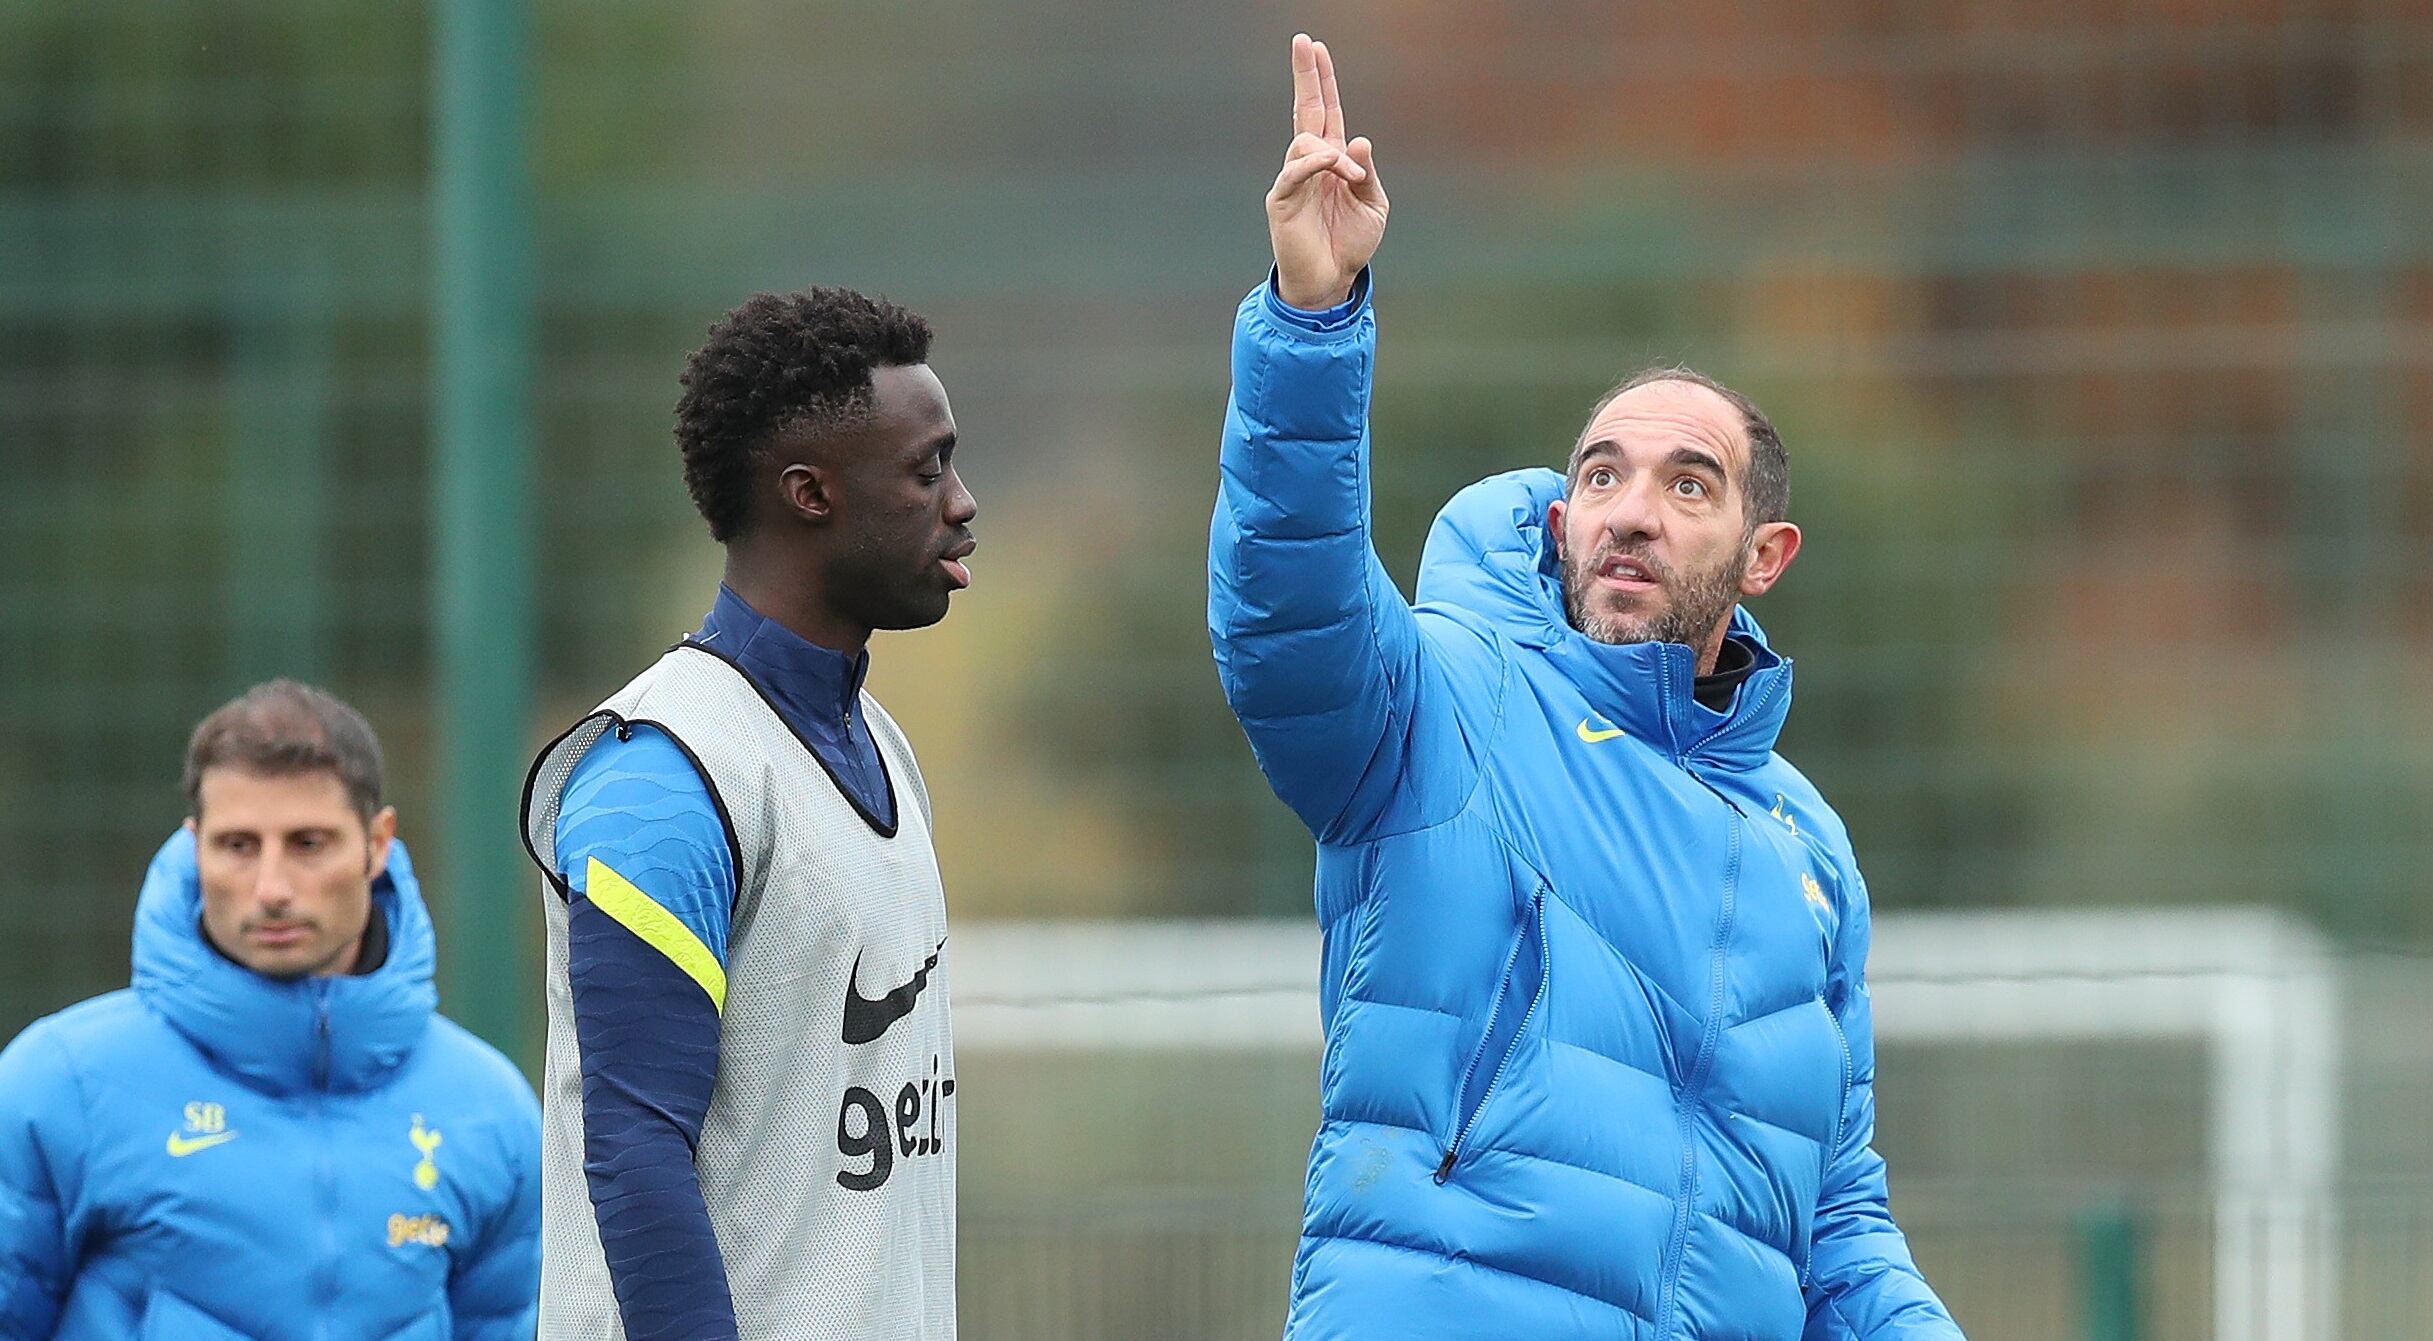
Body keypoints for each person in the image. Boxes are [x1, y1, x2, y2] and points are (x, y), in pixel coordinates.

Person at [1208, 35, 1966, 1341]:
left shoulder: (1810, 854)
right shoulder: (1443, 707)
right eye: (1603, 475)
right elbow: (1286, 617)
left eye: (1688, 484)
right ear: (1560, 522)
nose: (1632, 512)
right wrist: (1312, 321)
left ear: (1764, 556)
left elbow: (1836, 1224)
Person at [518, 286, 975, 1340]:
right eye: (926, 469)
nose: (960, 502)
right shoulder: (663, 775)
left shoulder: (885, 748)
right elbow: (634, 1152)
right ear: (810, 494)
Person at [0, 679, 541, 1340]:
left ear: (377, 843)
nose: (273, 888)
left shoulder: (488, 1109)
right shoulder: (60, 1085)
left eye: (308, 842)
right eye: (238, 845)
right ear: (194, 844)